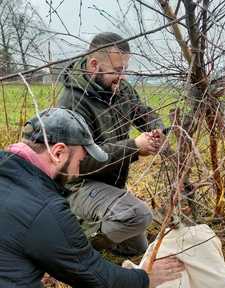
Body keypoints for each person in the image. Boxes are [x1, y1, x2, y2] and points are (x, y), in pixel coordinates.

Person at [0, 108, 183, 287]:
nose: (78, 171)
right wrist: (145, 279)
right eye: (80, 162)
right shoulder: (44, 208)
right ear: (58, 153)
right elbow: (93, 275)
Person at [58, 32, 166, 255]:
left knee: (135, 248)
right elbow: (77, 164)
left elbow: (142, 112)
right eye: (117, 71)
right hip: (79, 185)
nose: (122, 77)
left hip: (112, 186)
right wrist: (134, 147)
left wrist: (156, 128)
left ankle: (85, 228)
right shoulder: (72, 102)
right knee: (138, 215)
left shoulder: (120, 89)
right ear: (94, 64)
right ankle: (72, 250)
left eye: (125, 69)